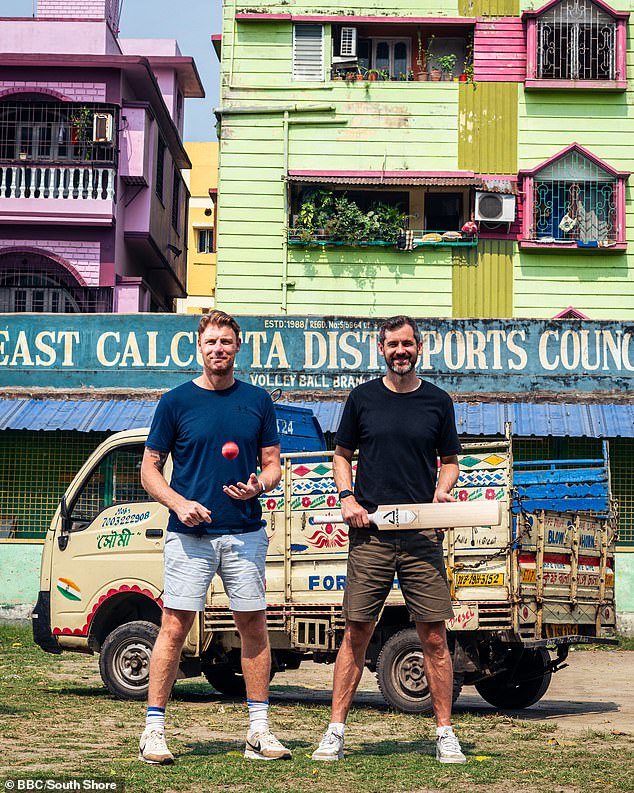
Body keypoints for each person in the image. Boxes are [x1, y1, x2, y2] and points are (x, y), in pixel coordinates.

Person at [311, 315, 466, 764]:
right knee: (357, 632)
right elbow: (341, 456)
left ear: (419, 348)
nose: (401, 351)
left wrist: (443, 490)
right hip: (371, 534)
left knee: (434, 637)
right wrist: (346, 497)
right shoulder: (362, 399)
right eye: (392, 344)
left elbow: (450, 461)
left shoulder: (438, 402)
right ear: (381, 349)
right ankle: (335, 732)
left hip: (420, 535)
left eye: (408, 344)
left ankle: (445, 734)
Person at [138, 310, 291, 764]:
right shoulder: (175, 402)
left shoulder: (258, 401)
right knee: (174, 627)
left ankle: (259, 732)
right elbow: (148, 469)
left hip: (245, 533)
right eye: (211, 342)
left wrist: (259, 486)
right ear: (198, 347)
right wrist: (179, 504)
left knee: (254, 628)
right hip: (189, 537)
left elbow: (273, 465)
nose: (218, 349)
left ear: (237, 347)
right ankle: (153, 731)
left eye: (226, 341)